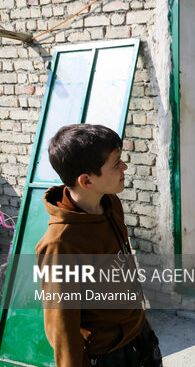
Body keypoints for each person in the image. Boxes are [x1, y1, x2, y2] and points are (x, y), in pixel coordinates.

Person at [35, 124, 162, 367]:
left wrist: (141, 321)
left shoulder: (111, 204)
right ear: (86, 180)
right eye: (116, 163)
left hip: (140, 337)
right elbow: (62, 330)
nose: (124, 167)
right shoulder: (61, 244)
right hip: (107, 356)